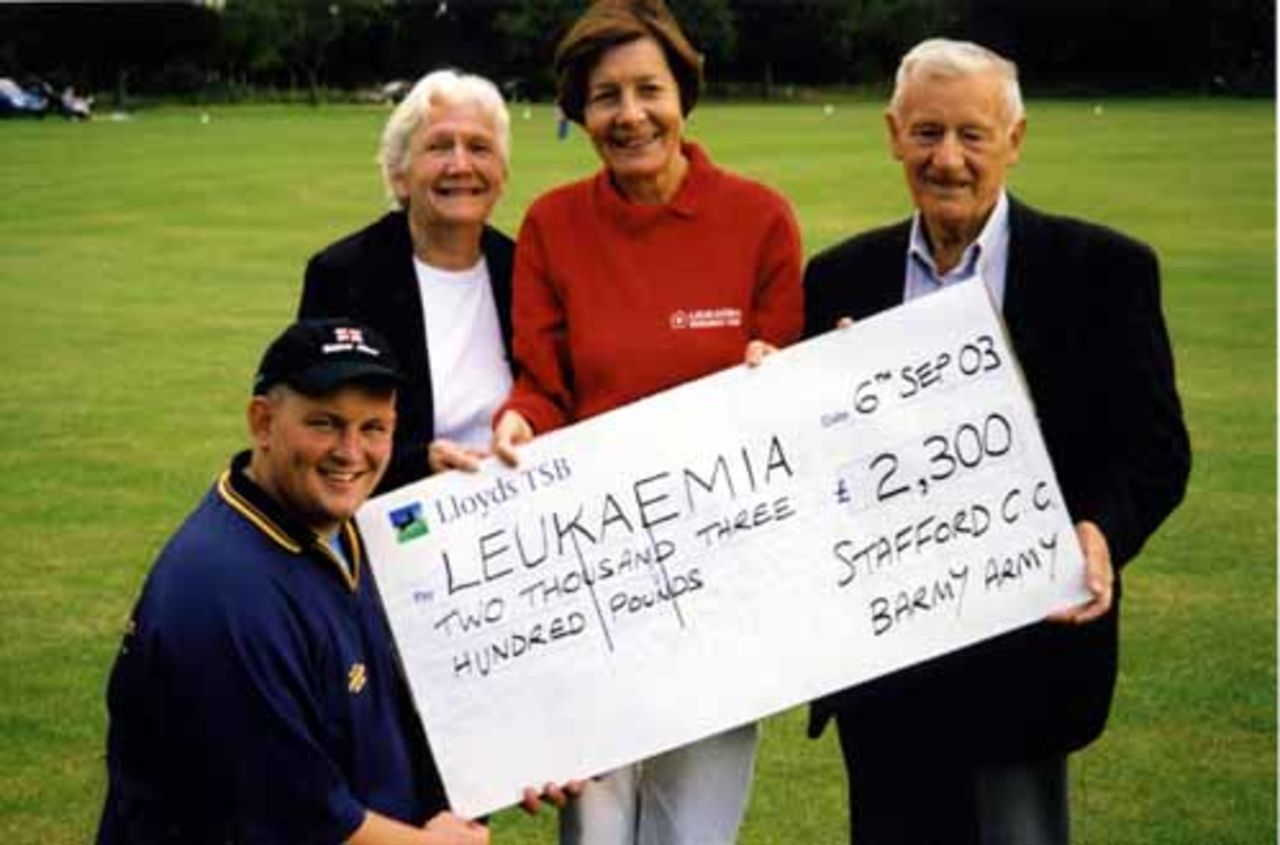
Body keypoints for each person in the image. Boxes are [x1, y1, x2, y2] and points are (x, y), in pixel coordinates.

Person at [803, 38, 1191, 845]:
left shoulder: (1103, 270)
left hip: (1030, 654)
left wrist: (1100, 533)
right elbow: (811, 468)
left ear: (1013, 140)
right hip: (886, 668)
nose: (948, 159)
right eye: (927, 132)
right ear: (893, 132)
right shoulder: (839, 278)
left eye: (972, 135)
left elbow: (1156, 448)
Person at [490, 1, 803, 842]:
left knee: (691, 829)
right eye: (605, 96)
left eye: (648, 90)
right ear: (578, 111)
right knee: (595, 828)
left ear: (683, 94)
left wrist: (781, 382)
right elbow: (543, 386)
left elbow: (790, 401)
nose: (629, 115)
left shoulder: (761, 218)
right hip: (593, 576)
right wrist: (521, 421)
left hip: (725, 586)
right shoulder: (552, 225)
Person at [97, 318, 489, 844]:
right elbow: (299, 818)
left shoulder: (343, 530)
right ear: (263, 422)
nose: (351, 453)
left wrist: (496, 772)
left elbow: (398, 713)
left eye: (373, 427)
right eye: (324, 424)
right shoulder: (224, 592)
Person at [300, 69, 515, 493]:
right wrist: (419, 462)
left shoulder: (526, 269)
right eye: (438, 147)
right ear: (400, 174)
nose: (460, 165)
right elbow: (316, 426)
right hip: (398, 522)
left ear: (501, 174)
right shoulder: (343, 274)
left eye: (479, 147)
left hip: (516, 526)